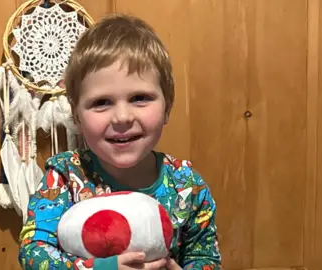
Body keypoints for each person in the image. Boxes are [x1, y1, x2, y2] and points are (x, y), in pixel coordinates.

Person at [18, 14, 222, 270]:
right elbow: (34, 253)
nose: (122, 117)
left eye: (140, 98)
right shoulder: (64, 176)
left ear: (167, 107)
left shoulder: (188, 185)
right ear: (77, 117)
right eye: (101, 103)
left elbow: (206, 259)